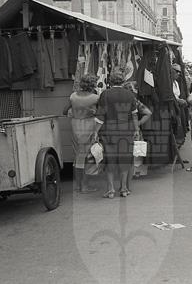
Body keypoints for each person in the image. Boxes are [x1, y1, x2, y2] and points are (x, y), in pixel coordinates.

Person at [94, 70, 140, 199]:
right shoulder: (130, 95)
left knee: (110, 160)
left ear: (110, 81)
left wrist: (95, 131)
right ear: (123, 81)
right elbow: (134, 115)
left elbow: (101, 115)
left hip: (109, 131)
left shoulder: (105, 94)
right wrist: (137, 130)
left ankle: (110, 190)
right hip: (126, 131)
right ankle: (124, 189)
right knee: (124, 159)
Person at [63, 74, 99, 193]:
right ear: (92, 85)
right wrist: (92, 112)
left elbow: (64, 111)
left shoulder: (73, 96)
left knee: (77, 156)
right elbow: (101, 113)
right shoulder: (95, 98)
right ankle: (84, 186)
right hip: (88, 125)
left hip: (75, 125)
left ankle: (78, 185)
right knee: (86, 157)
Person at [123, 82, 153, 180]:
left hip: (121, 129)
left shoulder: (117, 101)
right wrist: (138, 123)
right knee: (137, 151)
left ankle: (124, 172)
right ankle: (136, 172)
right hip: (134, 129)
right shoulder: (135, 101)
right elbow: (148, 113)